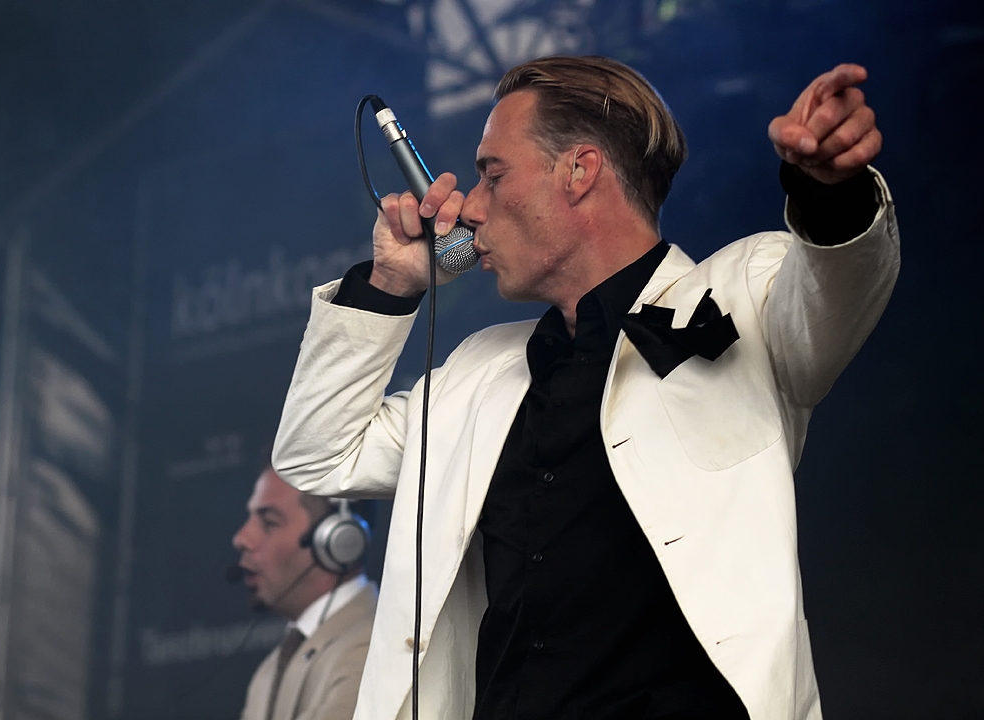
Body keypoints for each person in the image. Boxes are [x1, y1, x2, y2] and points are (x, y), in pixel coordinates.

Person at [272, 55, 899, 720]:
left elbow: (836, 287)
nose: (471, 208)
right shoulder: (478, 374)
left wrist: (829, 191)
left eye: (493, 175)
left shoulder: (741, 293)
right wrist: (390, 284)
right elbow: (319, 455)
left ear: (579, 171)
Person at [233, 466, 376, 720]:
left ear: (339, 540)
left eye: (269, 522)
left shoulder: (375, 646)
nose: (241, 538)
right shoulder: (268, 672)